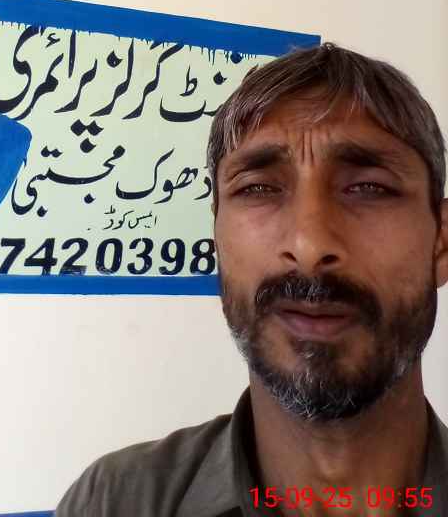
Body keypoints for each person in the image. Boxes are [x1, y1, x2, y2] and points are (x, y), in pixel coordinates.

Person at [55, 42, 448, 516]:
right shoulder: (113, 501)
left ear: (441, 242)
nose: (308, 245)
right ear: (217, 237)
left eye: (369, 188)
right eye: (258, 188)